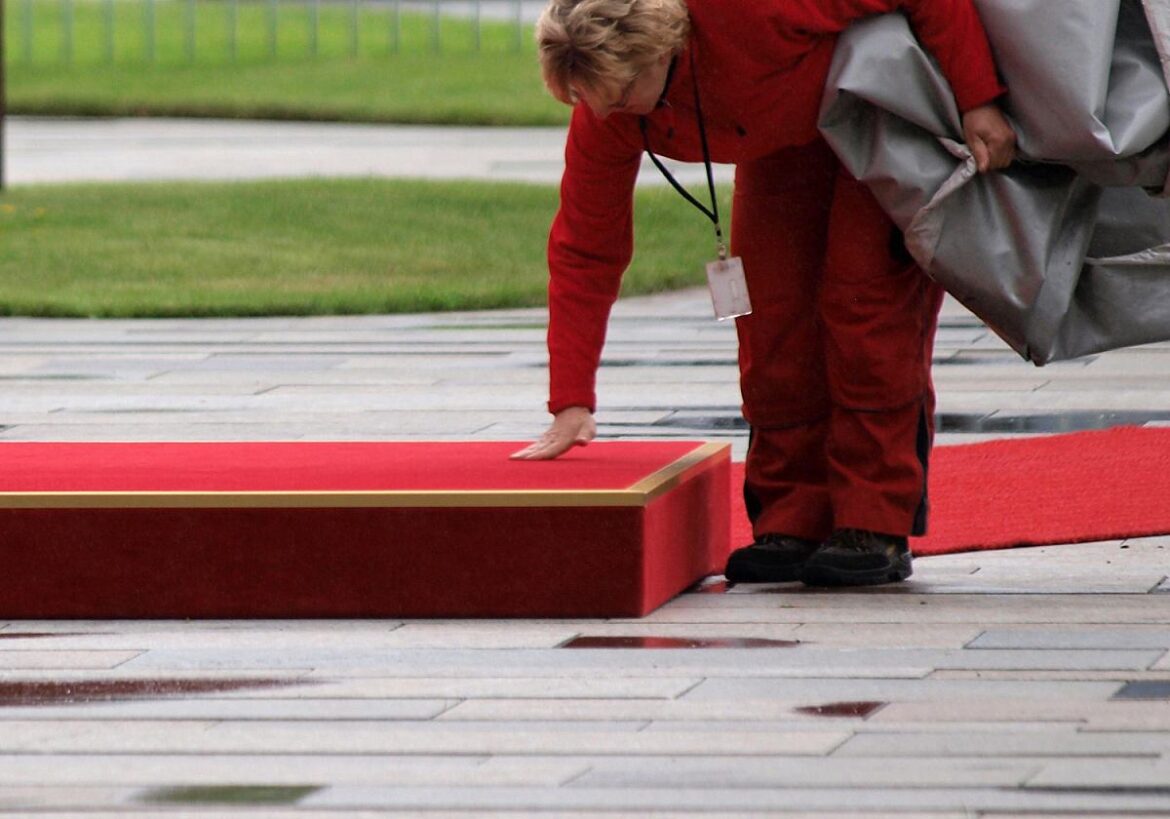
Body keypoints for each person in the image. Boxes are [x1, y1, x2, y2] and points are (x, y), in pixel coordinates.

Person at [511, 0, 1017, 586]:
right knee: (771, 324)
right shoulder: (606, 101)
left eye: (619, 94)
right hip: (777, 146)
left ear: (662, 49)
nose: (602, 110)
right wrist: (572, 400)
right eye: (586, 98)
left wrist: (978, 97)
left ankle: (874, 522)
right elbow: (584, 248)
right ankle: (790, 519)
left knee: (864, 312)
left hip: (874, 122)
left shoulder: (747, 11)